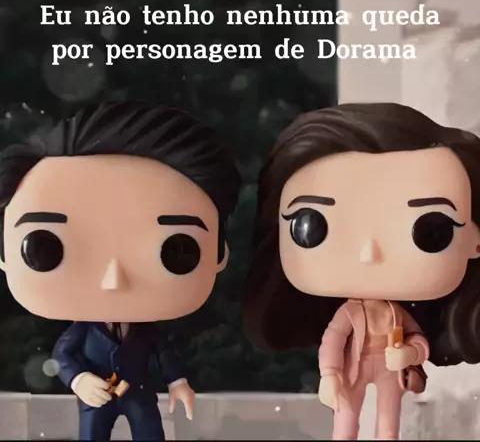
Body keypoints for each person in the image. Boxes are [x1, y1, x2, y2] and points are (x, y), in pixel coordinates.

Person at [0, 100, 241, 441]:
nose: (114, 280)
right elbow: (63, 355)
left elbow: (165, 354)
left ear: (219, 253)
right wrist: (80, 380)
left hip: (139, 395)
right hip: (96, 399)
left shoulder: (146, 331)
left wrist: (178, 383)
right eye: (45, 248)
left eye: (177, 250)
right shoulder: (82, 330)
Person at [243, 103, 480, 440]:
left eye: (431, 230)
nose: (369, 253)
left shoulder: (399, 315)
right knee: (347, 418)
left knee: (388, 422)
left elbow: (417, 338)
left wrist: (411, 353)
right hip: (353, 367)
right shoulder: (348, 314)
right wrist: (329, 375)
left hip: (389, 368)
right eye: (313, 226)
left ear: (476, 241)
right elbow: (333, 341)